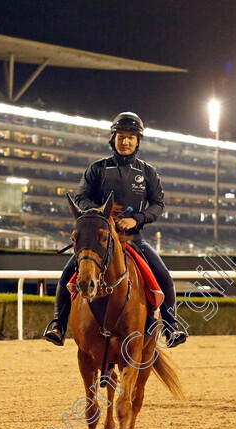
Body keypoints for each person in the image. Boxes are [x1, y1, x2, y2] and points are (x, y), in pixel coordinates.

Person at [43, 112, 188, 348]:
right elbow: (80, 197)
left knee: (164, 277)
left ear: (138, 141)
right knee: (67, 274)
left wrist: (137, 219)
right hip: (99, 237)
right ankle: (58, 325)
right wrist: (102, 214)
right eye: (121, 136)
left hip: (132, 238)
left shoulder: (148, 172)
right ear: (113, 138)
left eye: (131, 137)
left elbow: (159, 204)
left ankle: (170, 327)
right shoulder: (97, 168)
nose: (126, 141)